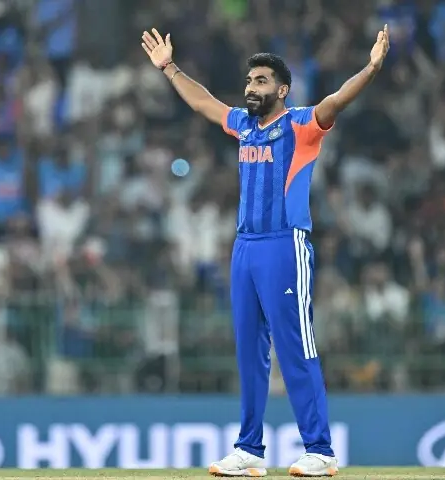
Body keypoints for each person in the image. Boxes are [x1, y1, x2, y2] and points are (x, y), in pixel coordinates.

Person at [141, 25, 390, 477]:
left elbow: (336, 100)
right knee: (249, 352)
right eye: (249, 81)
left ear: (282, 89)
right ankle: (249, 451)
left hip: (284, 244)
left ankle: (320, 450)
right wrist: (169, 68)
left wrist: (371, 68)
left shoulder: (300, 124)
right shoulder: (242, 125)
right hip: (244, 248)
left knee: (295, 347)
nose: (250, 88)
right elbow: (202, 102)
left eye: (260, 81)